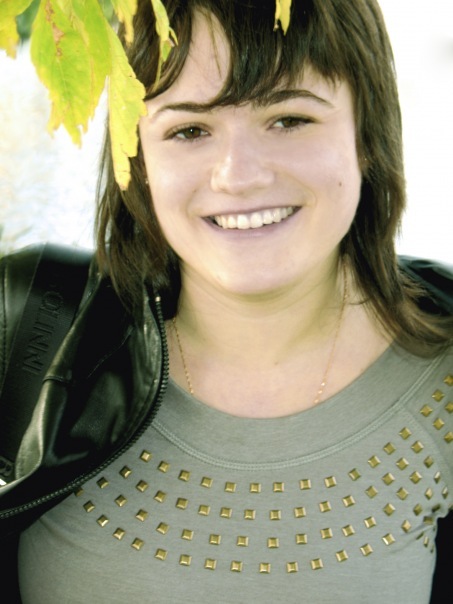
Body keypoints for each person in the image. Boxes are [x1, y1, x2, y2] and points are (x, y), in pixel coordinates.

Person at [0, 0, 451, 602]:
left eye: (289, 119)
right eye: (189, 131)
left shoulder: (443, 380)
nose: (237, 176)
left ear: (366, 134)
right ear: (137, 157)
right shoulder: (26, 331)